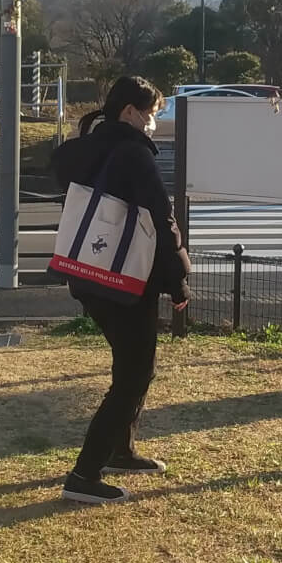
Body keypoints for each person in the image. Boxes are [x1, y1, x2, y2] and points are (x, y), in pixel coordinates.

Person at [47, 75, 191, 505]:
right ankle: (85, 474)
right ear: (128, 111)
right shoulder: (133, 154)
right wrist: (178, 277)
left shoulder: (92, 146)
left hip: (91, 275)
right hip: (128, 280)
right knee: (133, 375)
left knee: (129, 366)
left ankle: (120, 450)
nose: (152, 123)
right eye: (150, 113)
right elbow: (161, 221)